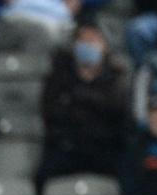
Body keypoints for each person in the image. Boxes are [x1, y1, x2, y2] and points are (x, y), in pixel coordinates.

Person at [37, 20, 130, 184]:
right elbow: (51, 112)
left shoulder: (117, 77)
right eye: (83, 40)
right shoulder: (58, 76)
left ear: (105, 46)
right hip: (67, 148)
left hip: (104, 150)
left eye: (93, 40)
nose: (88, 45)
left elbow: (117, 114)